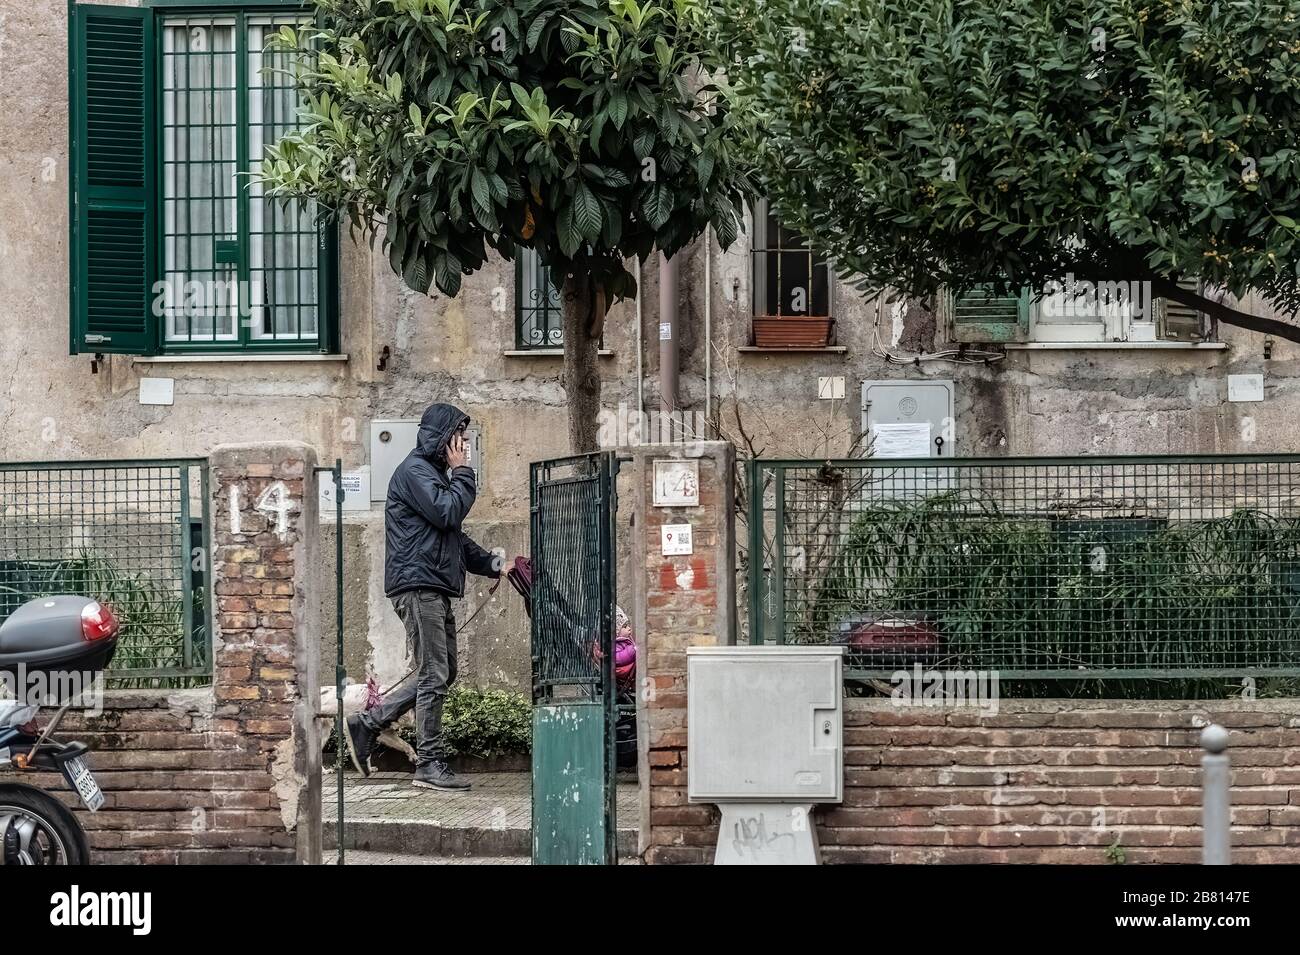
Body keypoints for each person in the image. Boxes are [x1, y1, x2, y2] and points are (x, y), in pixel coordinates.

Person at [343, 403, 504, 792]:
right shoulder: (416, 471)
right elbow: (449, 513)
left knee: (441, 671)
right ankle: (429, 763)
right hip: (418, 586)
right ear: (442, 438)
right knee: (434, 672)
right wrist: (464, 472)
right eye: (459, 439)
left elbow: (454, 539)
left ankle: (369, 723)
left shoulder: (431, 475)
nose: (464, 446)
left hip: (429, 585)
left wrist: (496, 564)